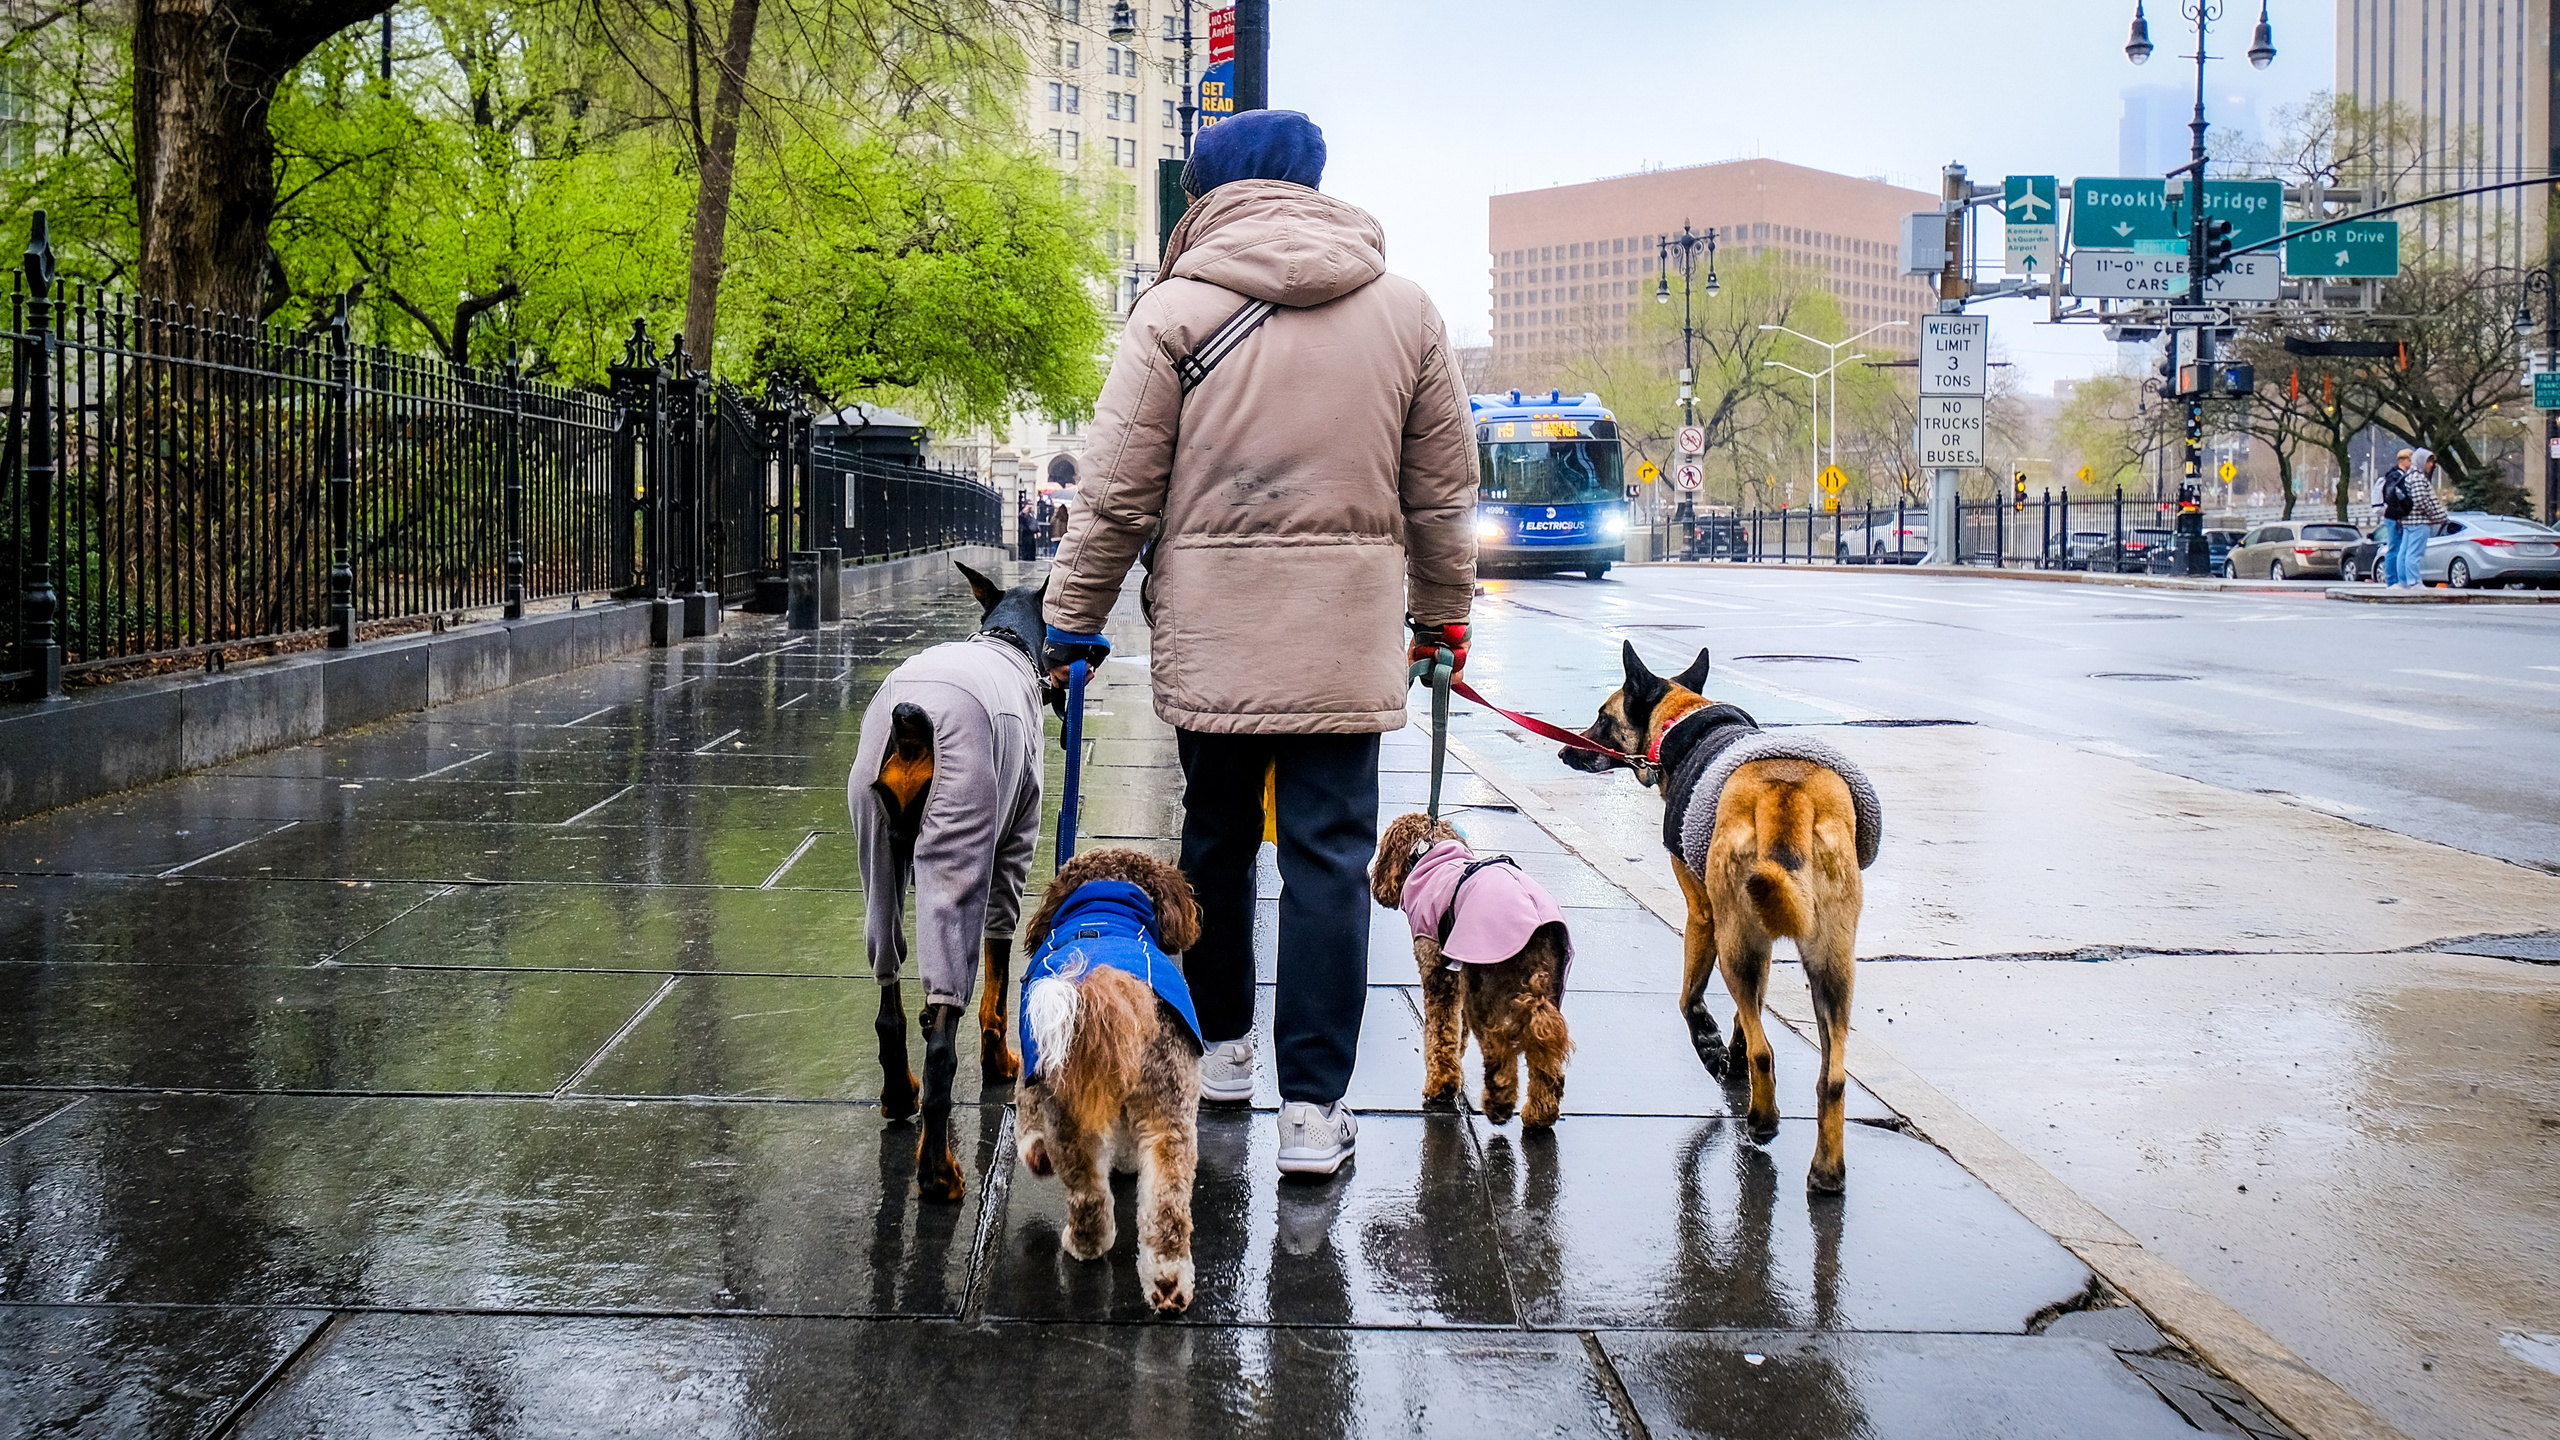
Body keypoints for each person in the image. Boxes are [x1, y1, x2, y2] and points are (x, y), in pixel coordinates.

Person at [1039, 109, 1477, 1178]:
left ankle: (1224, 1052)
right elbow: (1442, 494)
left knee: (1218, 842)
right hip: (1343, 635)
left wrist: (1071, 620)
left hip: (1218, 631)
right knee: (1331, 859)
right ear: (1313, 185)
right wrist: (1441, 614)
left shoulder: (1172, 312)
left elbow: (1115, 493)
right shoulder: (1407, 312)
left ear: (1205, 195)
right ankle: (1315, 1113)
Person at [2395, 448, 2447, 587]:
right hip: (2419, 521)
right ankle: (2414, 581)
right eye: (2429, 461)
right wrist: (2434, 514)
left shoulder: (2408, 476)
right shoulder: (2418, 477)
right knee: (2414, 554)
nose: (2431, 465)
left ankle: (2404, 581)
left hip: (2408, 521)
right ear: (2421, 461)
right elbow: (2420, 500)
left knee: (2404, 553)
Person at [2375, 448, 2413, 584]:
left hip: (2394, 516)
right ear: (2403, 460)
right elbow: (2392, 497)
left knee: (2397, 548)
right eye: (2410, 460)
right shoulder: (2395, 477)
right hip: (2394, 517)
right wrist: (2399, 514)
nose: (2412, 463)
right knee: (2395, 548)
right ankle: (2392, 580)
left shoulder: (2396, 475)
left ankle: (2397, 579)